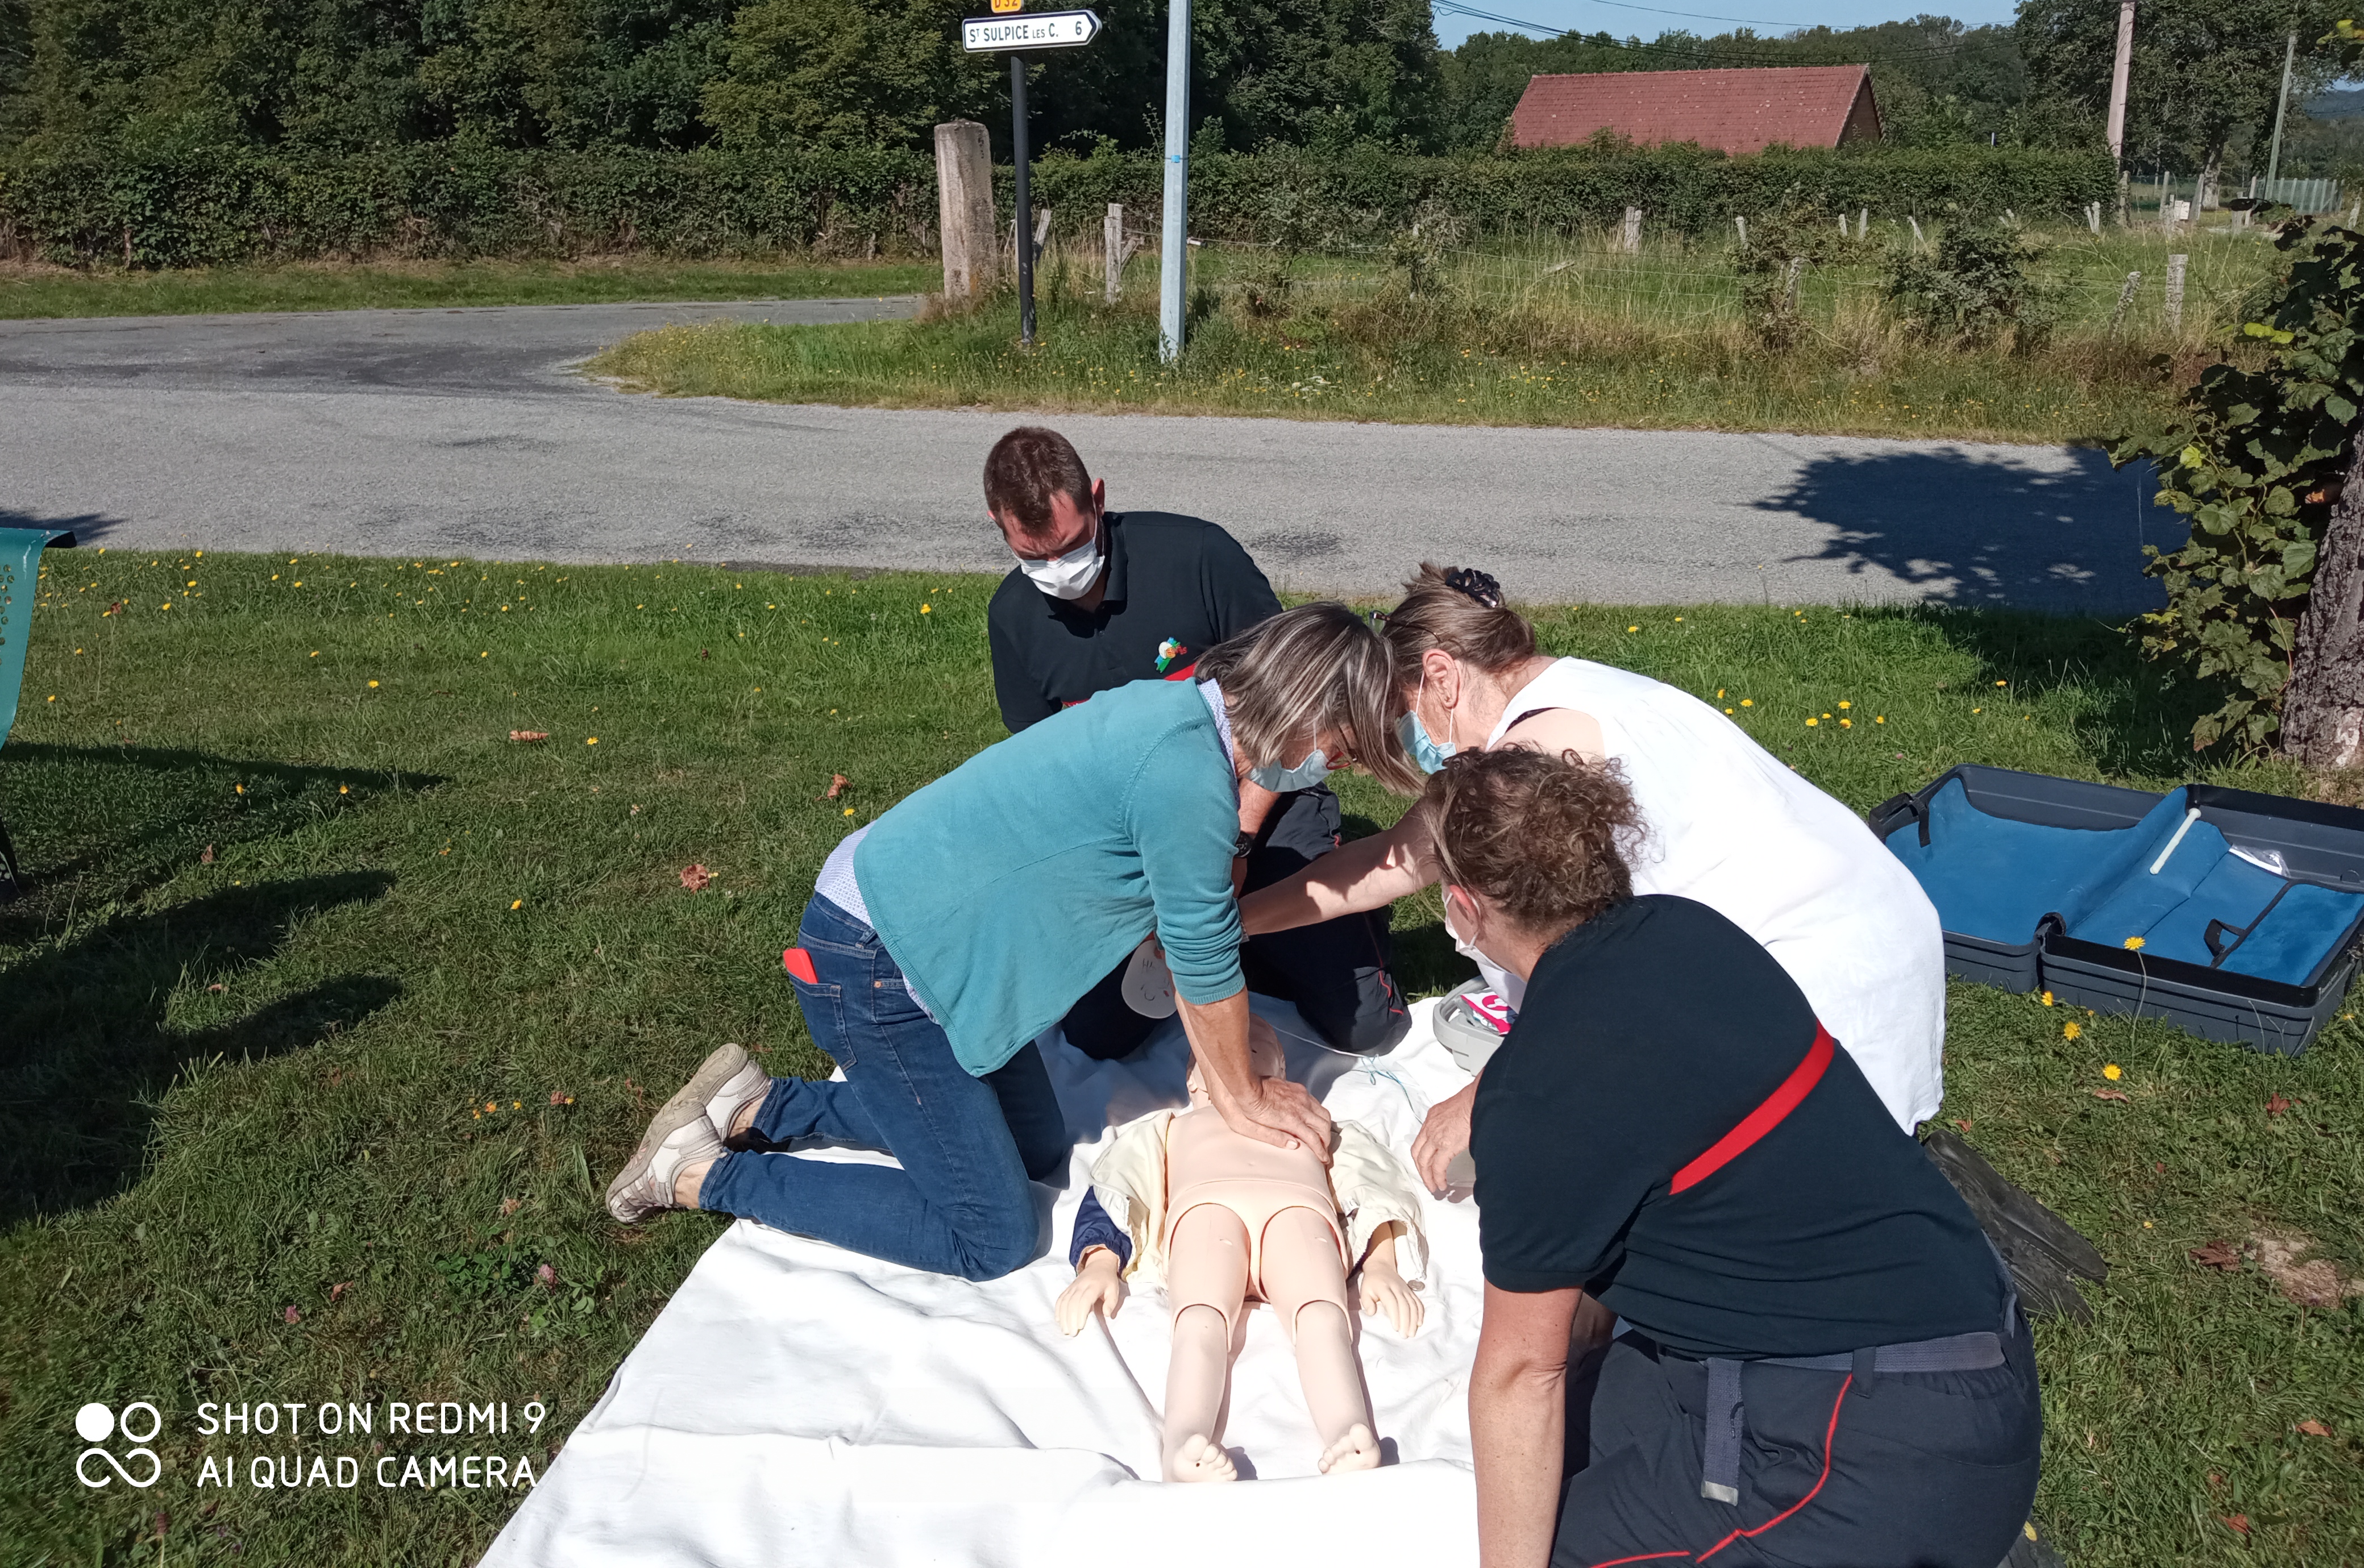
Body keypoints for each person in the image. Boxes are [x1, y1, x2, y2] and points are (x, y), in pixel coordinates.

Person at [604, 604, 1424, 1282]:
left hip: (924, 940)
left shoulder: (1180, 716)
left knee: (1035, 1147)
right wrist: (1243, 1098)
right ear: (1306, 709)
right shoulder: (1183, 777)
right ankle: (701, 1172)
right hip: (877, 963)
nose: (1332, 769)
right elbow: (1203, 961)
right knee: (991, 1235)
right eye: (1341, 749)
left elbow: (1196, 921)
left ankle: (760, 1105)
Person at [1439, 748, 2040, 1568]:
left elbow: (1518, 1377)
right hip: (1971, 1341)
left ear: (1467, 908)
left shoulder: (1539, 1091)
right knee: (1580, 1424)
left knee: (1549, 1541)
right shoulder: (1691, 933)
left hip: (1876, 1450)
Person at [1240, 564, 1945, 1196]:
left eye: (1403, 712)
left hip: (1813, 981)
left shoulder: (1535, 756)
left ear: (1443, 675)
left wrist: (1482, 1100)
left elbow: (1589, 972)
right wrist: (1226, 922)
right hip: (1870, 925)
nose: (1406, 738)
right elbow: (1390, 862)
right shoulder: (1569, 686)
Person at [983, 425, 1405, 1058]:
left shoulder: (1198, 555)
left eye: (1069, 548)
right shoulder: (1013, 616)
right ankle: (1253, 946)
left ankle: (1311, 926)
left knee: (1367, 1029)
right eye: (1034, 558)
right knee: (1098, 1038)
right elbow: (1053, 779)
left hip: (1261, 805)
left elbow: (1292, 709)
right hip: (1140, 846)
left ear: (1097, 498)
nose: (1057, 572)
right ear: (998, 524)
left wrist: (1236, 837)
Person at [1052, 1013, 1427, 1483]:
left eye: (1254, 1048)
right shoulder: (1167, 1129)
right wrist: (1100, 1263)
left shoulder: (1315, 1122)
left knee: (1322, 1315)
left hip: (1298, 1212)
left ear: (1283, 1070)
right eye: (1218, 1050)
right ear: (1194, 1080)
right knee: (1199, 1318)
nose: (1238, 1051)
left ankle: (1348, 1430)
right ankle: (1183, 1443)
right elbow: (1122, 1182)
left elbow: (1368, 1181)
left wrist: (1383, 1262)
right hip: (1208, 1212)